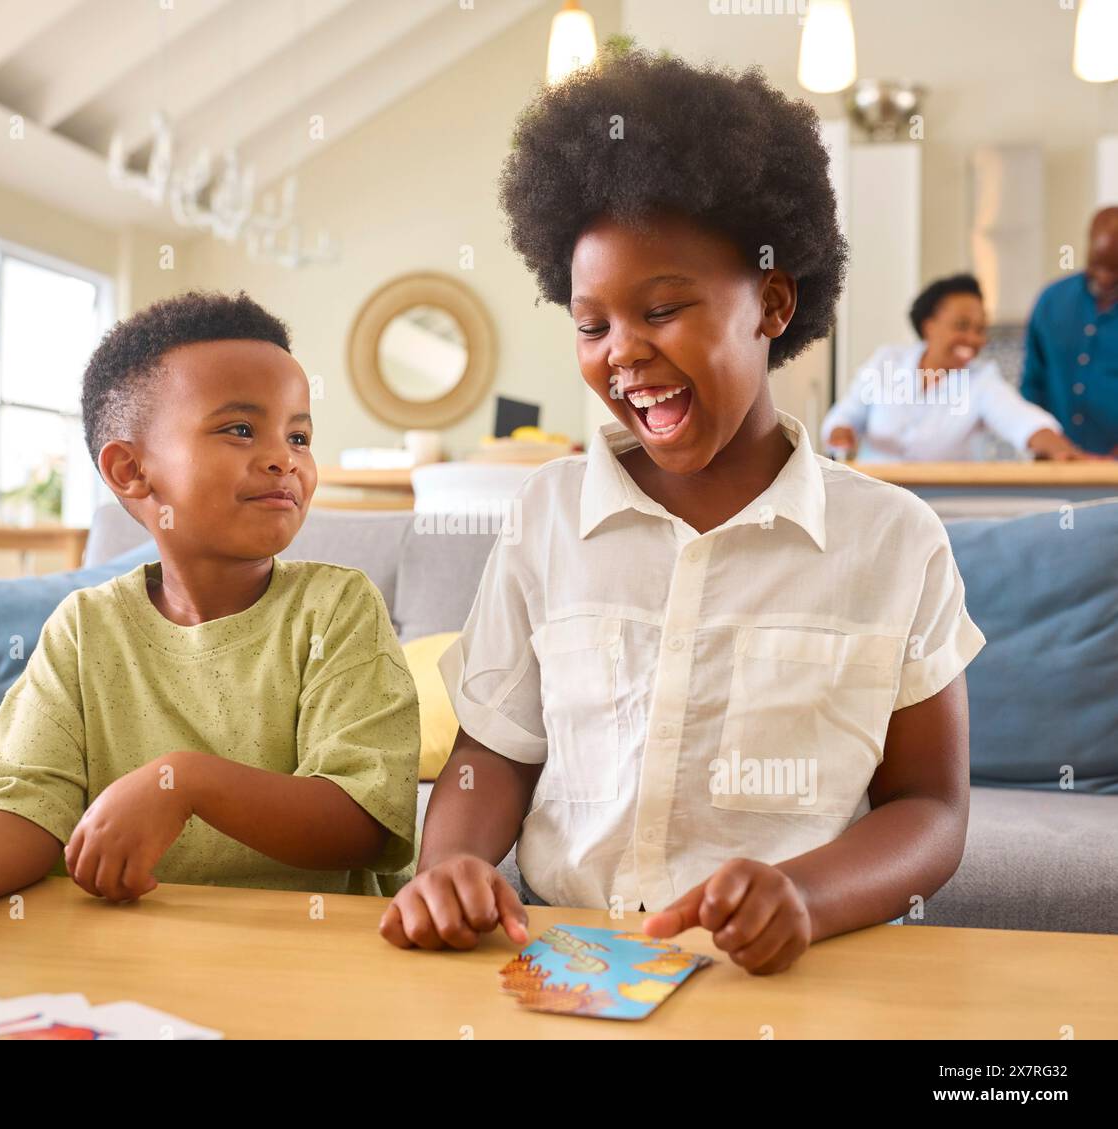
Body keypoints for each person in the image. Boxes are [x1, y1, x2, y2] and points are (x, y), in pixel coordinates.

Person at [380, 48, 985, 976]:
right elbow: (494, 756)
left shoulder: (895, 543)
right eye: (592, 325)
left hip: (787, 973)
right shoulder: (547, 516)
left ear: (772, 302)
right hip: (569, 962)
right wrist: (451, 867)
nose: (622, 352)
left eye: (662, 309)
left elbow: (931, 811)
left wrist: (806, 897)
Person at [0, 291, 420, 961]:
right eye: (241, 430)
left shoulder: (339, 608)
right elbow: (25, 806)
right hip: (118, 957)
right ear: (130, 471)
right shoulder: (84, 628)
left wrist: (186, 780)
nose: (284, 458)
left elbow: (364, 821)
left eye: (299, 436)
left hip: (308, 957)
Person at [822, 274, 1086, 462]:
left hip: (943, 510)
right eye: (962, 326)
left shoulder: (982, 380)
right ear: (929, 326)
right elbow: (843, 417)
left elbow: (1022, 421)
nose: (974, 340)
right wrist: (843, 435)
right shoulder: (886, 361)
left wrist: (1061, 450)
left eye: (980, 330)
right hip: (876, 500)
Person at [1020, 206, 1118, 455]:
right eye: (1098, 265)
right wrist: (1045, 444)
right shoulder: (1052, 301)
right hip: (1057, 466)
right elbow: (1032, 383)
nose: (1105, 278)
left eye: (1114, 269)